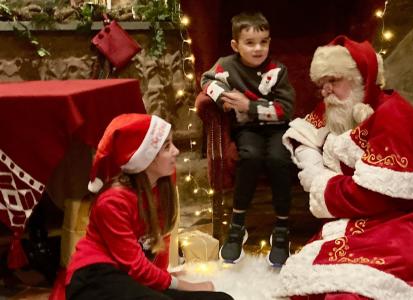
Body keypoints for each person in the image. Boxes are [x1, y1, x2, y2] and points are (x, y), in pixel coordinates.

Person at [276, 36, 413, 299]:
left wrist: (322, 183)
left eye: (333, 80)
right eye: (322, 84)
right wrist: (311, 166)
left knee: (360, 287)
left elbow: (376, 196)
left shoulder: (393, 115)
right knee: (317, 285)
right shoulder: (340, 105)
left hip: (409, 221)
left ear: (361, 79)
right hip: (362, 220)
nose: (326, 90)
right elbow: (304, 134)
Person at [65, 114, 233, 300]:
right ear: (147, 157)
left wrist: (165, 281)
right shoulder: (113, 202)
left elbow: (156, 246)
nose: (176, 151)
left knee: (221, 299)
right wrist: (186, 286)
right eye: (167, 147)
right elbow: (135, 266)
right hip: (94, 276)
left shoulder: (161, 187)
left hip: (131, 277)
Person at [200, 11, 295, 266]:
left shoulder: (277, 70)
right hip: (247, 130)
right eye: (250, 43)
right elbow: (205, 80)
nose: (258, 48)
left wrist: (248, 105)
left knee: (279, 158)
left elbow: (286, 109)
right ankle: (237, 224)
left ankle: (282, 228)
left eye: (263, 42)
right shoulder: (227, 65)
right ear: (236, 45)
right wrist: (223, 97)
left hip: (277, 128)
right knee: (250, 156)